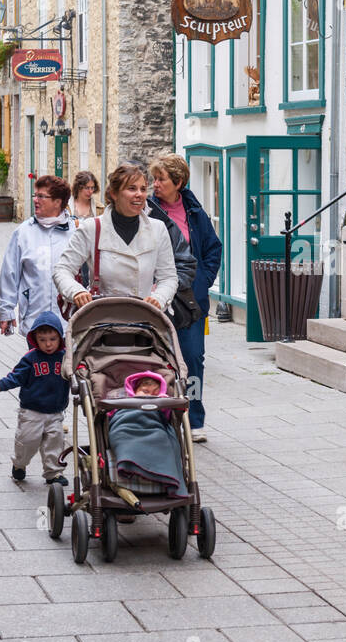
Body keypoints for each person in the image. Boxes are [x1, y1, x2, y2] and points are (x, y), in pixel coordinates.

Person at [149, 154, 221, 442]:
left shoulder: (194, 212)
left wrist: (202, 282)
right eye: (154, 178)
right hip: (157, 298)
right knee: (158, 359)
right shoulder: (148, 212)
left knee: (192, 359)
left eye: (161, 179)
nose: (155, 184)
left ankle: (194, 418)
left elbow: (213, 249)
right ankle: (160, 417)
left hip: (191, 299)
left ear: (178, 182)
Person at [53, 162, 178, 315]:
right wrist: (77, 292)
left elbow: (168, 277)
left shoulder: (157, 229)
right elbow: (62, 269)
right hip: (101, 322)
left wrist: (158, 298)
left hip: (144, 320)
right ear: (114, 193)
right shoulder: (92, 228)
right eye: (132, 188)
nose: (139, 194)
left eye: (143, 189)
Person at [0, 310, 70, 486]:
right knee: (27, 441)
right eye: (43, 340)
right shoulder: (31, 358)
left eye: (53, 339)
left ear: (60, 338)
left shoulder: (65, 358)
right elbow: (16, 376)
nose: (48, 344)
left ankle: (53, 473)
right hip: (32, 411)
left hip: (55, 411)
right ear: (35, 339)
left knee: (55, 442)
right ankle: (19, 464)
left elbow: (76, 371)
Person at [0, 175, 73, 337]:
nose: (35, 200)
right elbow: (10, 273)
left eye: (41, 196)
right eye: (35, 195)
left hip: (69, 322)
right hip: (34, 319)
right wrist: (5, 310)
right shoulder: (24, 232)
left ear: (58, 202)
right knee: (36, 362)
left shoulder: (75, 232)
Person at [106, 371, 187, 497]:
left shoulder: (162, 401)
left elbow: (166, 416)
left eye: (155, 393)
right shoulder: (121, 398)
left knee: (163, 439)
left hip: (153, 427)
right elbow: (108, 414)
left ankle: (159, 474)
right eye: (145, 391)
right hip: (125, 426)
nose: (150, 396)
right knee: (125, 441)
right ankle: (130, 465)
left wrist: (165, 403)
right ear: (134, 389)